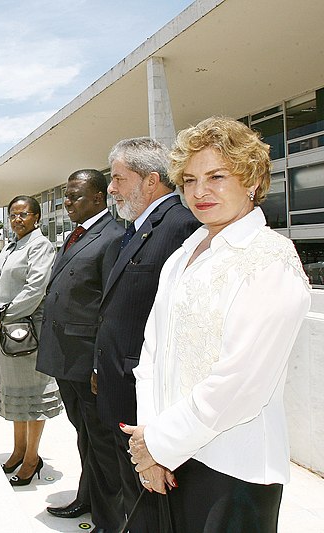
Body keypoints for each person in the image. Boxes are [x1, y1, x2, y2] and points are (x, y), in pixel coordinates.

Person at [122, 117, 311, 532]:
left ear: (252, 179)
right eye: (189, 180)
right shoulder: (183, 254)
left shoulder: (270, 260)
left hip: (233, 468)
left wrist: (157, 444)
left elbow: (240, 384)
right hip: (171, 460)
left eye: (216, 176)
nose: (199, 191)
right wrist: (151, 445)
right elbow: (152, 352)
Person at [94, 137, 201, 531]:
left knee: (151, 502)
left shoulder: (180, 225)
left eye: (119, 178)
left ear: (151, 180)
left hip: (145, 394)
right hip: (120, 385)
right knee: (131, 491)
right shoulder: (139, 227)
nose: (112, 188)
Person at [36, 169, 125, 531]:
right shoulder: (75, 236)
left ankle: (110, 519)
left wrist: (98, 365)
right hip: (65, 359)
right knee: (84, 436)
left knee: (103, 444)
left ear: (99, 198)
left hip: (89, 362)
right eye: (65, 197)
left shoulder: (113, 237)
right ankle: (87, 499)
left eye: (74, 196)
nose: (67, 203)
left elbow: (111, 309)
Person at [0, 195, 62, 487]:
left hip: (28, 333)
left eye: (23, 214)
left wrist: (0, 315)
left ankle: (31, 459)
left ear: (36, 217)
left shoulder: (41, 246)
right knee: (16, 394)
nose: (17, 219)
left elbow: (35, 289)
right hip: (6, 332)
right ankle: (17, 451)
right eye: (13, 215)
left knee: (34, 396)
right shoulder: (9, 248)